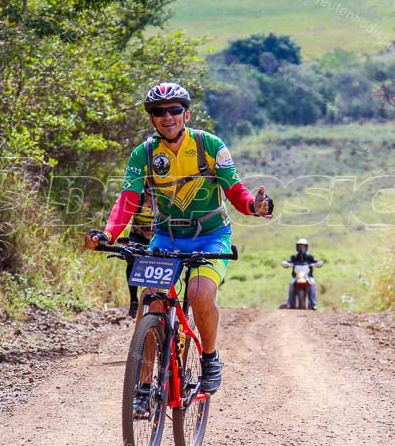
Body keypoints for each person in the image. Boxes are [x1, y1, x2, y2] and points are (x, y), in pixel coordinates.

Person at [85, 82, 273, 394]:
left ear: (186, 114)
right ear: (152, 119)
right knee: (151, 303)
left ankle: (210, 358)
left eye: (174, 110)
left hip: (210, 236)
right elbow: (128, 199)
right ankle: (143, 387)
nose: (167, 116)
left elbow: (236, 193)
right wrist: (107, 234)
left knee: (199, 294)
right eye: (159, 112)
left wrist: (255, 206)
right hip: (166, 238)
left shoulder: (211, 145)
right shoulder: (144, 153)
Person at [123, 189, 154, 317]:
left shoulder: (166, 199)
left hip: (158, 235)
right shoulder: (139, 198)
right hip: (138, 234)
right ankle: (134, 301)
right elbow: (126, 214)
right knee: (131, 259)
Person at [281, 238, 324, 310]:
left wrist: (318, 263)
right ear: (297, 247)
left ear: (306, 247)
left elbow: (316, 261)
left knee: (313, 284)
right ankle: (290, 303)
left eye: (303, 247)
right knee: (291, 285)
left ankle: (313, 304)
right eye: (300, 247)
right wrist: (286, 263)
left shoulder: (310, 257)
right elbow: (288, 261)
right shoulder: (294, 257)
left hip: (308, 276)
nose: (301, 248)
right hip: (296, 277)